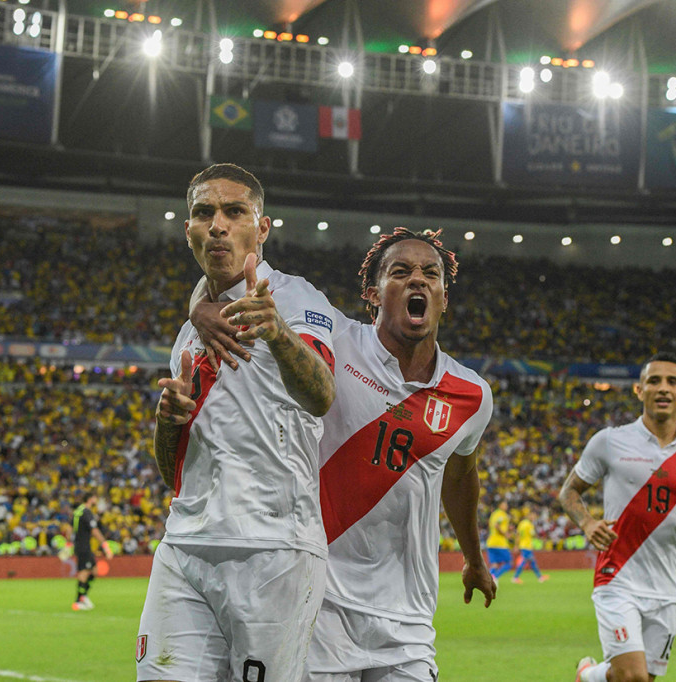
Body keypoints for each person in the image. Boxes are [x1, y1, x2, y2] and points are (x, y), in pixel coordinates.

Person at [192, 227, 496, 681]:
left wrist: (474, 558)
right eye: (401, 272)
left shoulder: (472, 394)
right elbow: (233, 279)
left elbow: (460, 475)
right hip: (316, 604)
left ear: (444, 297)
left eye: (431, 274)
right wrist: (198, 307)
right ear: (372, 293)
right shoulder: (333, 336)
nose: (418, 280)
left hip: (407, 620)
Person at [137, 163, 337, 682]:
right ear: (189, 231)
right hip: (185, 546)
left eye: (234, 211)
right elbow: (170, 472)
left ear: (262, 227)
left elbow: (322, 396)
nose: (218, 225)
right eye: (204, 213)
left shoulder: (297, 298)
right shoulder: (189, 333)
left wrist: (277, 332)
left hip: (274, 549)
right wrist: (168, 421)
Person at [559, 352, 676, 682]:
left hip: (667, 587)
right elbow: (568, 491)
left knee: (641, 679)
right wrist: (588, 522)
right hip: (617, 575)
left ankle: (588, 677)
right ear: (639, 391)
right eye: (654, 381)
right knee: (632, 676)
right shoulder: (609, 441)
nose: (663, 388)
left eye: (672, 382)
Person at [72, 492, 113, 611]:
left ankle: (83, 597)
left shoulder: (77, 511)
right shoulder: (86, 512)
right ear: (91, 499)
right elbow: (94, 531)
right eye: (95, 498)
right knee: (84, 572)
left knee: (94, 571)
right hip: (83, 546)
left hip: (80, 545)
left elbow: (70, 528)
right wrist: (105, 546)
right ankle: (79, 600)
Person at [511, 508, 549, 584]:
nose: (534, 518)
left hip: (523, 545)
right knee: (524, 562)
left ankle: (540, 577)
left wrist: (516, 545)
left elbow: (518, 534)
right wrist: (541, 539)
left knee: (532, 562)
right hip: (526, 546)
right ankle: (515, 577)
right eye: (533, 516)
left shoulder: (522, 523)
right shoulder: (529, 524)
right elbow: (533, 535)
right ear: (530, 515)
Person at [487, 499, 513, 579]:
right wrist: (506, 534)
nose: (507, 506)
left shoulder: (493, 514)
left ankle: (487, 578)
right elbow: (497, 526)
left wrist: (508, 528)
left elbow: (492, 525)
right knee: (509, 563)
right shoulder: (502, 514)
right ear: (500, 505)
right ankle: (494, 577)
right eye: (505, 504)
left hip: (491, 542)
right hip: (499, 543)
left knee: (495, 564)